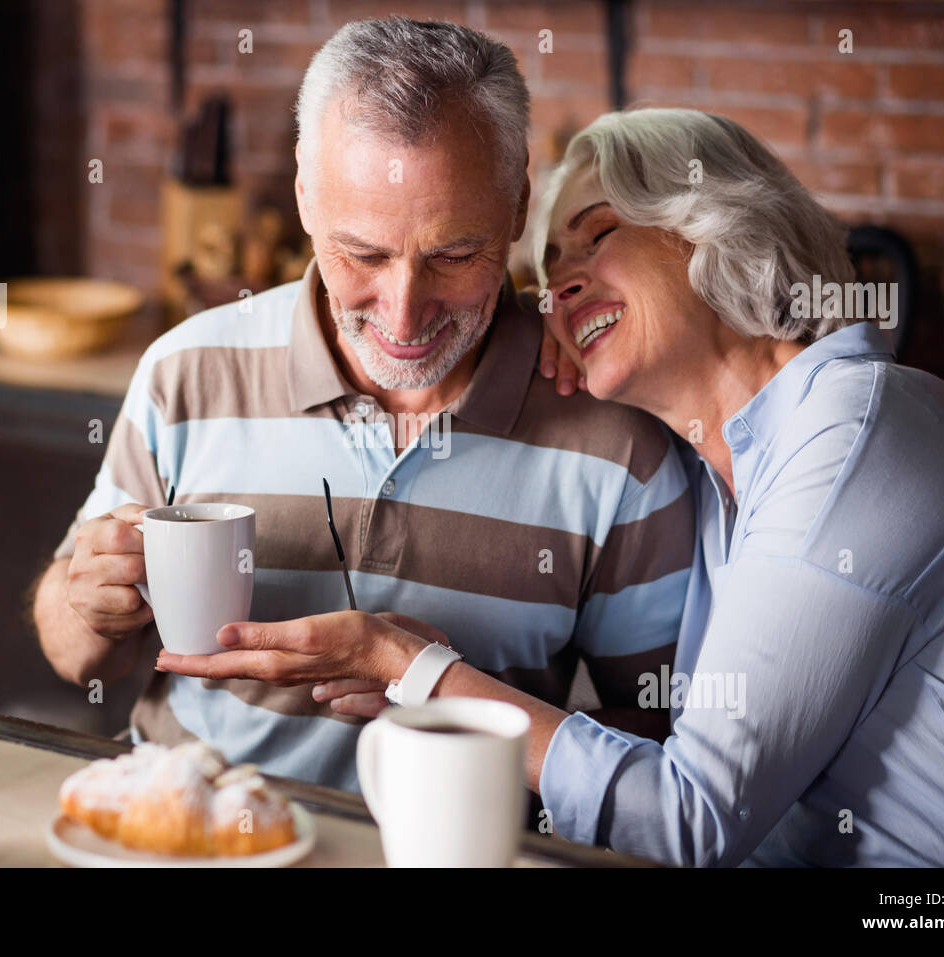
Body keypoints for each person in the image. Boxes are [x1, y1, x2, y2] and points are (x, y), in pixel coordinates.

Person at [158, 107, 944, 866]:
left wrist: (410, 664)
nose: (560, 284)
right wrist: (443, 676)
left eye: (600, 234)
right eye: (546, 271)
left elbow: (691, 820)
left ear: (714, 226)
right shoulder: (722, 471)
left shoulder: (859, 430)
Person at [34, 21, 695, 792]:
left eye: (453, 255)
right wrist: (82, 604)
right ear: (305, 197)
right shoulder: (186, 371)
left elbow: (654, 752)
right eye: (364, 254)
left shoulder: (615, 438)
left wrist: (443, 689)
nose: (405, 314)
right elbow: (73, 652)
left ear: (519, 202)